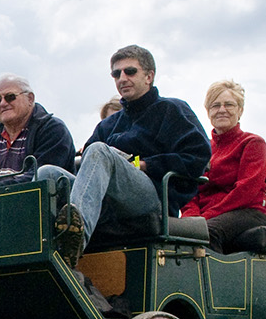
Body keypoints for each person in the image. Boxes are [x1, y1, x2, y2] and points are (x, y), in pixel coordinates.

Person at [36, 45, 210, 266]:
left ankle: (75, 240)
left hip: (153, 197)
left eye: (130, 71)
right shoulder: (109, 124)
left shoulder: (171, 110)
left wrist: (143, 164)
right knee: (47, 171)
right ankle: (35, 244)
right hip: (106, 199)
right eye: (116, 74)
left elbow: (198, 157)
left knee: (99, 150)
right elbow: (83, 170)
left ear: (149, 76)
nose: (122, 78)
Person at [181, 80, 266, 253]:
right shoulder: (202, 148)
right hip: (208, 215)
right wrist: (191, 216)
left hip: (247, 211)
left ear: (240, 111)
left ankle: (213, 280)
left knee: (207, 232)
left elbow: (246, 191)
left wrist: (205, 218)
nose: (222, 110)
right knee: (176, 233)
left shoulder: (253, 143)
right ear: (208, 112)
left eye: (229, 104)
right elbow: (190, 187)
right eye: (215, 105)